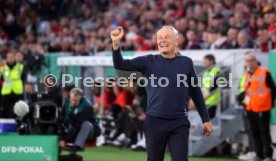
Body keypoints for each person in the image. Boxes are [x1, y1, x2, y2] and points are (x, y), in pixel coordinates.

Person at [110, 26, 212, 161]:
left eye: (167, 37)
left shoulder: (186, 62)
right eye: (160, 38)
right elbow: (120, 65)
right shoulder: (148, 61)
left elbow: (196, 92)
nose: (162, 41)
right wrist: (116, 43)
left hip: (179, 122)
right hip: (154, 122)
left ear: (176, 41)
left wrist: (205, 119)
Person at [242, 52, 275, 161]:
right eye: (247, 60)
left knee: (264, 132)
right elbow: (247, 91)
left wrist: (271, 103)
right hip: (250, 107)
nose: (249, 63)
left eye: (251, 60)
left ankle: (268, 156)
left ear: (256, 61)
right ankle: (259, 154)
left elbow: (273, 89)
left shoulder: (264, 72)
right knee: (254, 132)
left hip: (263, 108)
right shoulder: (246, 74)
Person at [0, 51, 26, 118]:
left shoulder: (21, 67)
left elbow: (23, 78)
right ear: (6, 58)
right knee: (5, 110)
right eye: (9, 57)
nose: (10, 58)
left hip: (17, 92)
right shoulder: (2, 68)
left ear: (14, 57)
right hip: (6, 92)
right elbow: (2, 79)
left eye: (12, 57)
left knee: (18, 111)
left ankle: (18, 125)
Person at [202, 54, 222, 119]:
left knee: (210, 122)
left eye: (205, 61)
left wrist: (204, 97)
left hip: (212, 101)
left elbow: (214, 86)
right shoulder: (206, 72)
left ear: (211, 61)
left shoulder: (217, 71)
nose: (203, 62)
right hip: (205, 100)